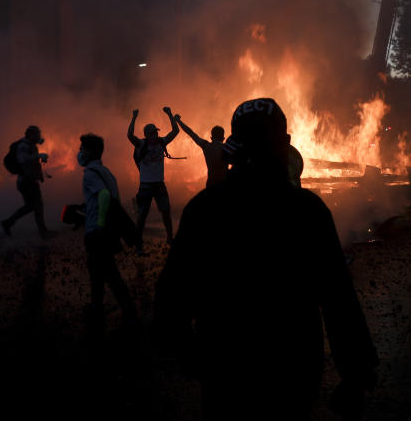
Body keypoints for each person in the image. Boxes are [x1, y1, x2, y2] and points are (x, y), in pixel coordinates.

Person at [154, 98, 379, 419]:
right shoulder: (307, 210)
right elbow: (338, 296)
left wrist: (187, 351)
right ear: (285, 144)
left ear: (234, 144)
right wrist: (357, 373)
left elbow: (172, 293)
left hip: (225, 374)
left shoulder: (204, 208)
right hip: (293, 374)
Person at [77, 133, 137, 334]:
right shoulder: (107, 172)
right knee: (97, 269)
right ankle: (97, 306)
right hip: (107, 230)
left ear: (91, 152)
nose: (80, 153)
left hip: (98, 232)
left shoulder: (91, 173)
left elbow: (103, 195)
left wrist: (99, 223)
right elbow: (108, 198)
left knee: (109, 273)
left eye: (83, 149)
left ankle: (129, 313)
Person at [127, 107, 180, 249]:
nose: (156, 135)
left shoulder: (161, 142)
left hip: (159, 185)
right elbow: (130, 135)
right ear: (147, 135)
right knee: (143, 215)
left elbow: (175, 131)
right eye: (153, 133)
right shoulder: (141, 144)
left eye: (156, 133)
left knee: (166, 212)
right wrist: (134, 117)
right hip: (145, 186)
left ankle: (170, 238)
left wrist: (169, 114)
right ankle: (138, 242)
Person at [1, 125, 53, 238]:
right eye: (37, 134)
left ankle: (8, 222)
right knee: (37, 205)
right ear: (31, 135)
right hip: (26, 182)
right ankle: (43, 232)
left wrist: (39, 170)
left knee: (31, 206)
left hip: (28, 181)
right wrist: (38, 155)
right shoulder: (23, 146)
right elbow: (23, 160)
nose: (40, 136)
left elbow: (32, 163)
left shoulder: (31, 145)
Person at [177, 117, 228, 188]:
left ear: (211, 138)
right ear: (223, 138)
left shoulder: (206, 146)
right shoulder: (228, 148)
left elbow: (191, 133)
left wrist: (178, 121)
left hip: (211, 183)